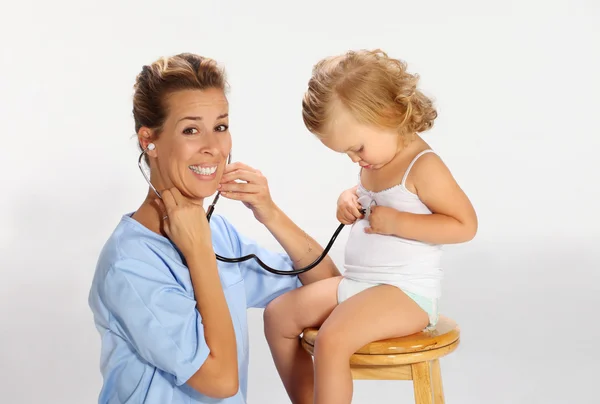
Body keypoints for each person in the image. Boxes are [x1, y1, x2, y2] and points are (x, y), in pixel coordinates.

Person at [87, 53, 340, 404]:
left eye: (220, 126)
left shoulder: (219, 233)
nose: (213, 147)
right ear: (149, 140)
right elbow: (221, 381)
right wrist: (199, 252)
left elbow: (327, 288)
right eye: (191, 129)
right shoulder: (129, 264)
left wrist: (269, 212)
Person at [263, 49, 478, 404]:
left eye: (357, 148)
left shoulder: (423, 166)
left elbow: (464, 225)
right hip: (358, 284)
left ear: (389, 114)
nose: (355, 159)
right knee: (279, 316)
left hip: (405, 294)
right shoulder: (376, 160)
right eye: (346, 153)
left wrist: (399, 223)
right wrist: (348, 198)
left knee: (333, 338)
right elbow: (371, 197)